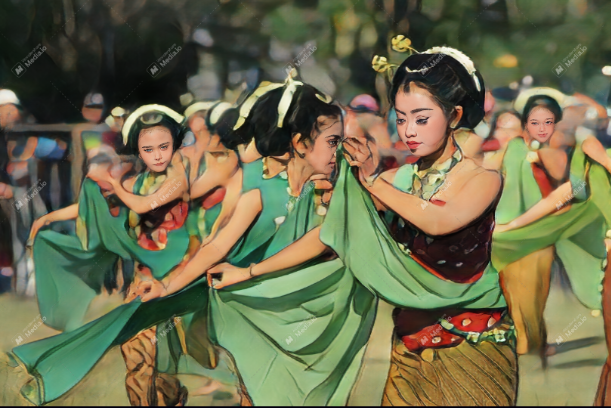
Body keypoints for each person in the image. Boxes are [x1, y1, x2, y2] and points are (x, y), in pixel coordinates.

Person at [211, 43, 516, 406]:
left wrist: (370, 182)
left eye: (421, 118)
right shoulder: (397, 179)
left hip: (474, 344)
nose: (408, 131)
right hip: (411, 340)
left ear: (454, 116)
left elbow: (438, 221)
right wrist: (248, 274)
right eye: (400, 119)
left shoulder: (481, 178)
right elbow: (329, 236)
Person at [19, 104, 196, 406]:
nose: (157, 155)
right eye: (148, 148)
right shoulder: (135, 182)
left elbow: (145, 206)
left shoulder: (179, 179)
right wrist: (47, 218)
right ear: (138, 151)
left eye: (164, 147)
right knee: (136, 353)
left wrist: (115, 185)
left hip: (179, 276)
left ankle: (174, 396)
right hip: (143, 279)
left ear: (175, 146)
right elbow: (93, 207)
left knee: (167, 359)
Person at [492, 94, 611, 367]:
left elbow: (566, 193)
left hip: (568, 225)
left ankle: (532, 341)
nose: (544, 128)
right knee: (514, 282)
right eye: (535, 122)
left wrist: (514, 225)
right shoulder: (516, 151)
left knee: (537, 288)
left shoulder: (583, 150)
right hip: (532, 228)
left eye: (550, 122)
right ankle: (525, 340)